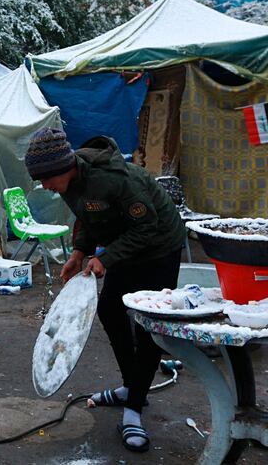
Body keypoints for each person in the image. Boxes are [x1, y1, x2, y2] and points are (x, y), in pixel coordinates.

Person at [24, 127, 185, 453]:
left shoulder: (115, 179)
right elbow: (88, 219)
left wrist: (106, 259)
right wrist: (79, 252)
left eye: (46, 179)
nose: (45, 187)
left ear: (62, 168)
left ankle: (134, 410)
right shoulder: (68, 182)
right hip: (125, 246)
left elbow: (148, 226)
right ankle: (132, 387)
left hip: (159, 247)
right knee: (110, 309)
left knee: (148, 327)